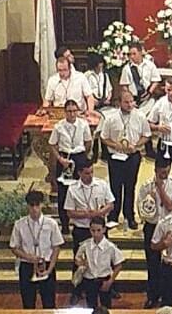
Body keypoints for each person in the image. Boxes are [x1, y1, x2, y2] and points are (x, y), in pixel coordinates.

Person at [9, 190, 65, 314]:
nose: (34, 209)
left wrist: (50, 268)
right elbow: (14, 247)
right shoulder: (20, 224)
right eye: (31, 206)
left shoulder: (51, 224)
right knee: (28, 302)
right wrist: (28, 257)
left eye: (37, 205)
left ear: (42, 205)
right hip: (27, 266)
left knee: (49, 302)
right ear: (27, 206)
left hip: (46, 265)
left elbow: (56, 247)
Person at [99, 90, 151, 230]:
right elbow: (104, 137)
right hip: (115, 156)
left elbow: (146, 135)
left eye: (131, 101)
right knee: (115, 187)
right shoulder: (111, 118)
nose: (129, 105)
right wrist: (115, 145)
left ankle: (130, 215)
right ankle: (113, 216)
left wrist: (137, 145)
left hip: (132, 156)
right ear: (119, 103)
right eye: (126, 102)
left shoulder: (140, 116)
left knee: (130, 186)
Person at [137, 157, 172, 308]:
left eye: (167, 169)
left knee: (168, 265)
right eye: (161, 170)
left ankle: (166, 297)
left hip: (169, 227)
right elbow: (142, 211)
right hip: (152, 226)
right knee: (153, 263)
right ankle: (152, 295)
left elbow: (171, 206)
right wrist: (149, 201)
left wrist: (160, 189)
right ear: (155, 169)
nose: (164, 173)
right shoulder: (145, 186)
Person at [49, 100, 94, 234]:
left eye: (74, 111)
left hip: (79, 157)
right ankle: (64, 223)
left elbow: (88, 142)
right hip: (64, 158)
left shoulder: (83, 124)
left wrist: (82, 156)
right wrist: (60, 159)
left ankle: (82, 221)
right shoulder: (59, 126)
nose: (72, 114)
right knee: (64, 191)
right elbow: (52, 144)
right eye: (69, 111)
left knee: (82, 188)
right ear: (65, 112)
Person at [65, 158, 116, 259]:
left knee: (103, 259)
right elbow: (69, 212)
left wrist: (99, 212)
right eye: (87, 173)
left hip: (99, 228)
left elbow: (110, 204)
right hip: (81, 229)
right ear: (79, 173)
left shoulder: (102, 184)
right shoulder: (72, 189)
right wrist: (87, 214)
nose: (91, 175)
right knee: (80, 259)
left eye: (92, 172)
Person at [73, 216, 125, 308]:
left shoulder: (110, 247)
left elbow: (118, 265)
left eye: (98, 230)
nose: (96, 234)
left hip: (104, 279)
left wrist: (110, 281)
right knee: (90, 306)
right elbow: (77, 258)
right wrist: (81, 263)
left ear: (104, 229)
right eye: (93, 230)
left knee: (106, 306)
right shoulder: (85, 245)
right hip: (89, 279)